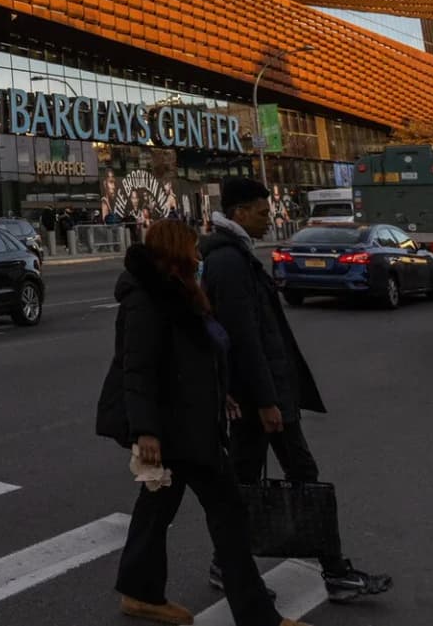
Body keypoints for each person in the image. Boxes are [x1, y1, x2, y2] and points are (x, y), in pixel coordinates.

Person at [96, 219, 302, 626]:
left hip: (188, 420)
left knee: (157, 509)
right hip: (177, 429)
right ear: (175, 254)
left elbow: (192, 357)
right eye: (192, 248)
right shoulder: (147, 298)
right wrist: (146, 431)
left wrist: (219, 391)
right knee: (228, 515)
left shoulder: (179, 291)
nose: (198, 254)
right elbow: (138, 369)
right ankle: (258, 617)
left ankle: (140, 592)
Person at [202, 177, 391, 602]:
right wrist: (268, 401)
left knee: (252, 482)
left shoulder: (234, 255)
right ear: (238, 212)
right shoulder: (229, 261)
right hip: (262, 400)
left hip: (262, 395)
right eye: (262, 212)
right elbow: (244, 338)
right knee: (298, 477)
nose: (269, 220)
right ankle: (332, 572)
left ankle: (230, 563)